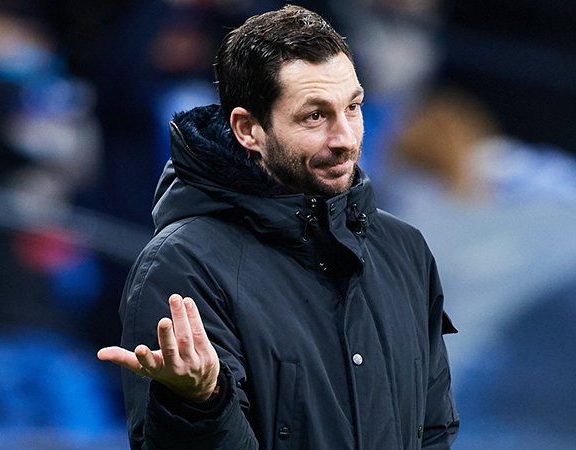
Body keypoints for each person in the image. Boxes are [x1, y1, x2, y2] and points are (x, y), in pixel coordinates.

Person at [97, 5, 460, 449]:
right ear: (248, 129)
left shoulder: (406, 249)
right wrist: (202, 402)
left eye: (352, 107)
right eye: (315, 116)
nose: (345, 138)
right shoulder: (183, 264)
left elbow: (435, 430)